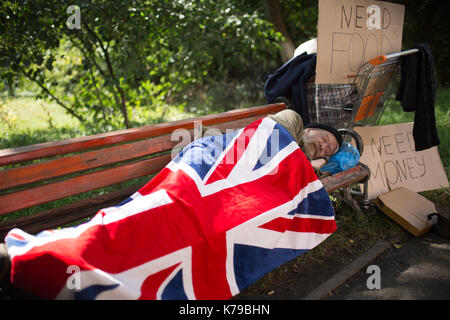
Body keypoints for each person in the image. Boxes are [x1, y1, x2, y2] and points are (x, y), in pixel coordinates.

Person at [0, 109, 342, 287]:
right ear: (310, 127)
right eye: (325, 138)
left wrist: (317, 164)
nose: (324, 146)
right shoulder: (291, 120)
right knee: (150, 216)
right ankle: (42, 256)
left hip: (233, 197)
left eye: (329, 151)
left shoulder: (304, 167)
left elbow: (292, 183)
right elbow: (266, 148)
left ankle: (77, 268)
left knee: (180, 238)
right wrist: (311, 162)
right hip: (210, 171)